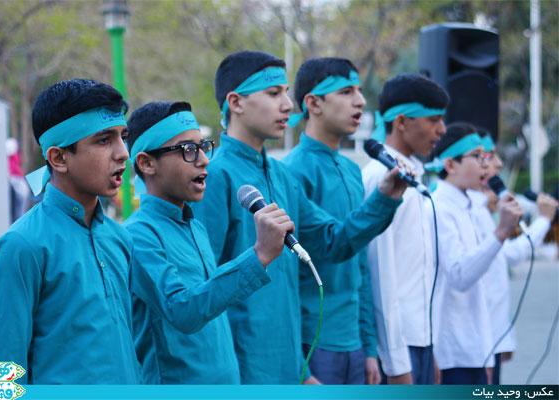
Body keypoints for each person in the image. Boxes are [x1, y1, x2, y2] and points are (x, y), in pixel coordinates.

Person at [192, 50, 407, 384]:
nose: (288, 105)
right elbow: (203, 291)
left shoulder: (282, 176)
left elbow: (333, 242)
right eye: (273, 93)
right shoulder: (216, 176)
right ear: (235, 102)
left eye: (286, 93)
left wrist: (385, 197)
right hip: (241, 370)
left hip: (290, 365)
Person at [124, 101, 294, 384]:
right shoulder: (138, 235)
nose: (203, 159)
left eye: (203, 147)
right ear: (147, 163)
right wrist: (259, 254)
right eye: (188, 150)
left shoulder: (195, 226)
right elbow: (183, 311)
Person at [0, 79, 141, 384]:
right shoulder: (22, 245)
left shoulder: (120, 238)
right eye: (104, 140)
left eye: (123, 137)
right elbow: (0, 377)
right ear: (58, 158)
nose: (123, 153)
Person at [282, 57, 406, 385]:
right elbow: (286, 279)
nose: (361, 101)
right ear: (313, 103)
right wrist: (299, 365)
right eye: (346, 92)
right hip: (314, 340)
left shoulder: (352, 171)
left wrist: (368, 347)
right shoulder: (292, 171)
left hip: (354, 343)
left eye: (360, 91)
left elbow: (360, 264)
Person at [362, 73, 449, 384]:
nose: (442, 130)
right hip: (397, 350)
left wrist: (430, 347)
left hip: (419, 341)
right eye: (434, 120)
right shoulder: (380, 178)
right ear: (401, 122)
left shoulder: (415, 177)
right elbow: (380, 276)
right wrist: (396, 363)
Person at [426, 122, 522, 385]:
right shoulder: (439, 208)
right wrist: (500, 233)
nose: (486, 165)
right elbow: (459, 275)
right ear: (450, 165)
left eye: (486, 157)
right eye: (478, 157)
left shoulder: (469, 206)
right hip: (451, 351)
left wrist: (486, 349)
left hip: (476, 347)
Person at [470, 130, 558, 384]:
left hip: (490, 338)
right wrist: (543, 220)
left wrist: (504, 335)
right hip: (474, 343)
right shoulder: (468, 208)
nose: (497, 164)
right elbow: (511, 254)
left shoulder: (481, 206)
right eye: (488, 156)